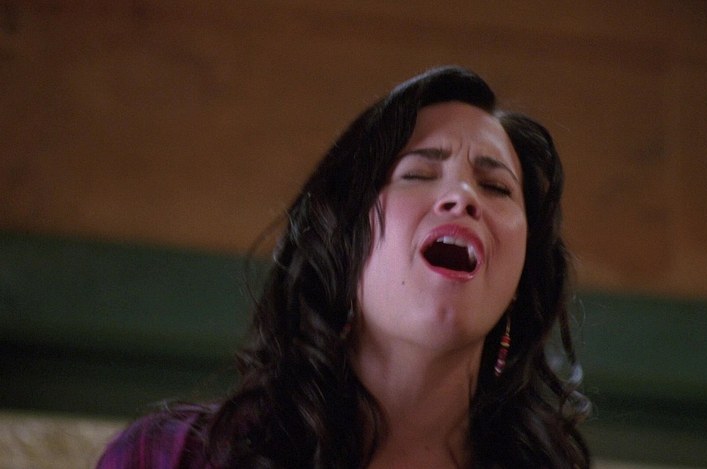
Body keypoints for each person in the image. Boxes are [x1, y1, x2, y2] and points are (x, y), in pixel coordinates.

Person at [97, 66, 590, 468]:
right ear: (342, 245)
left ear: (521, 276)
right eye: (418, 173)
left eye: (497, 188)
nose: (462, 197)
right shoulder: (169, 457)